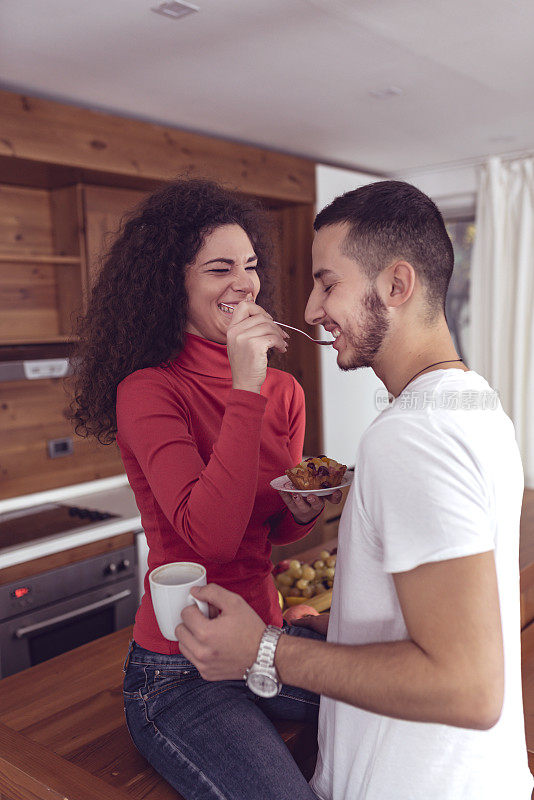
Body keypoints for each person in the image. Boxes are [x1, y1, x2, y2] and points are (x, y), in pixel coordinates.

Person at [176, 180, 534, 800]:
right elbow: (452, 611)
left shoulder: (410, 437)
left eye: (328, 283)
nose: (312, 309)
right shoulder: (477, 405)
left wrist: (262, 651)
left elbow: (467, 687)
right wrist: (349, 628)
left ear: (396, 286)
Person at [68, 178, 342, 800]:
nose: (244, 283)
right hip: (180, 670)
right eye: (220, 268)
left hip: (262, 643)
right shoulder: (148, 391)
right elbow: (208, 538)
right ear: (174, 285)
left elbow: (273, 531)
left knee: (391, 711)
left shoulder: (285, 391)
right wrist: (246, 386)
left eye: (249, 266)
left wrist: (301, 512)